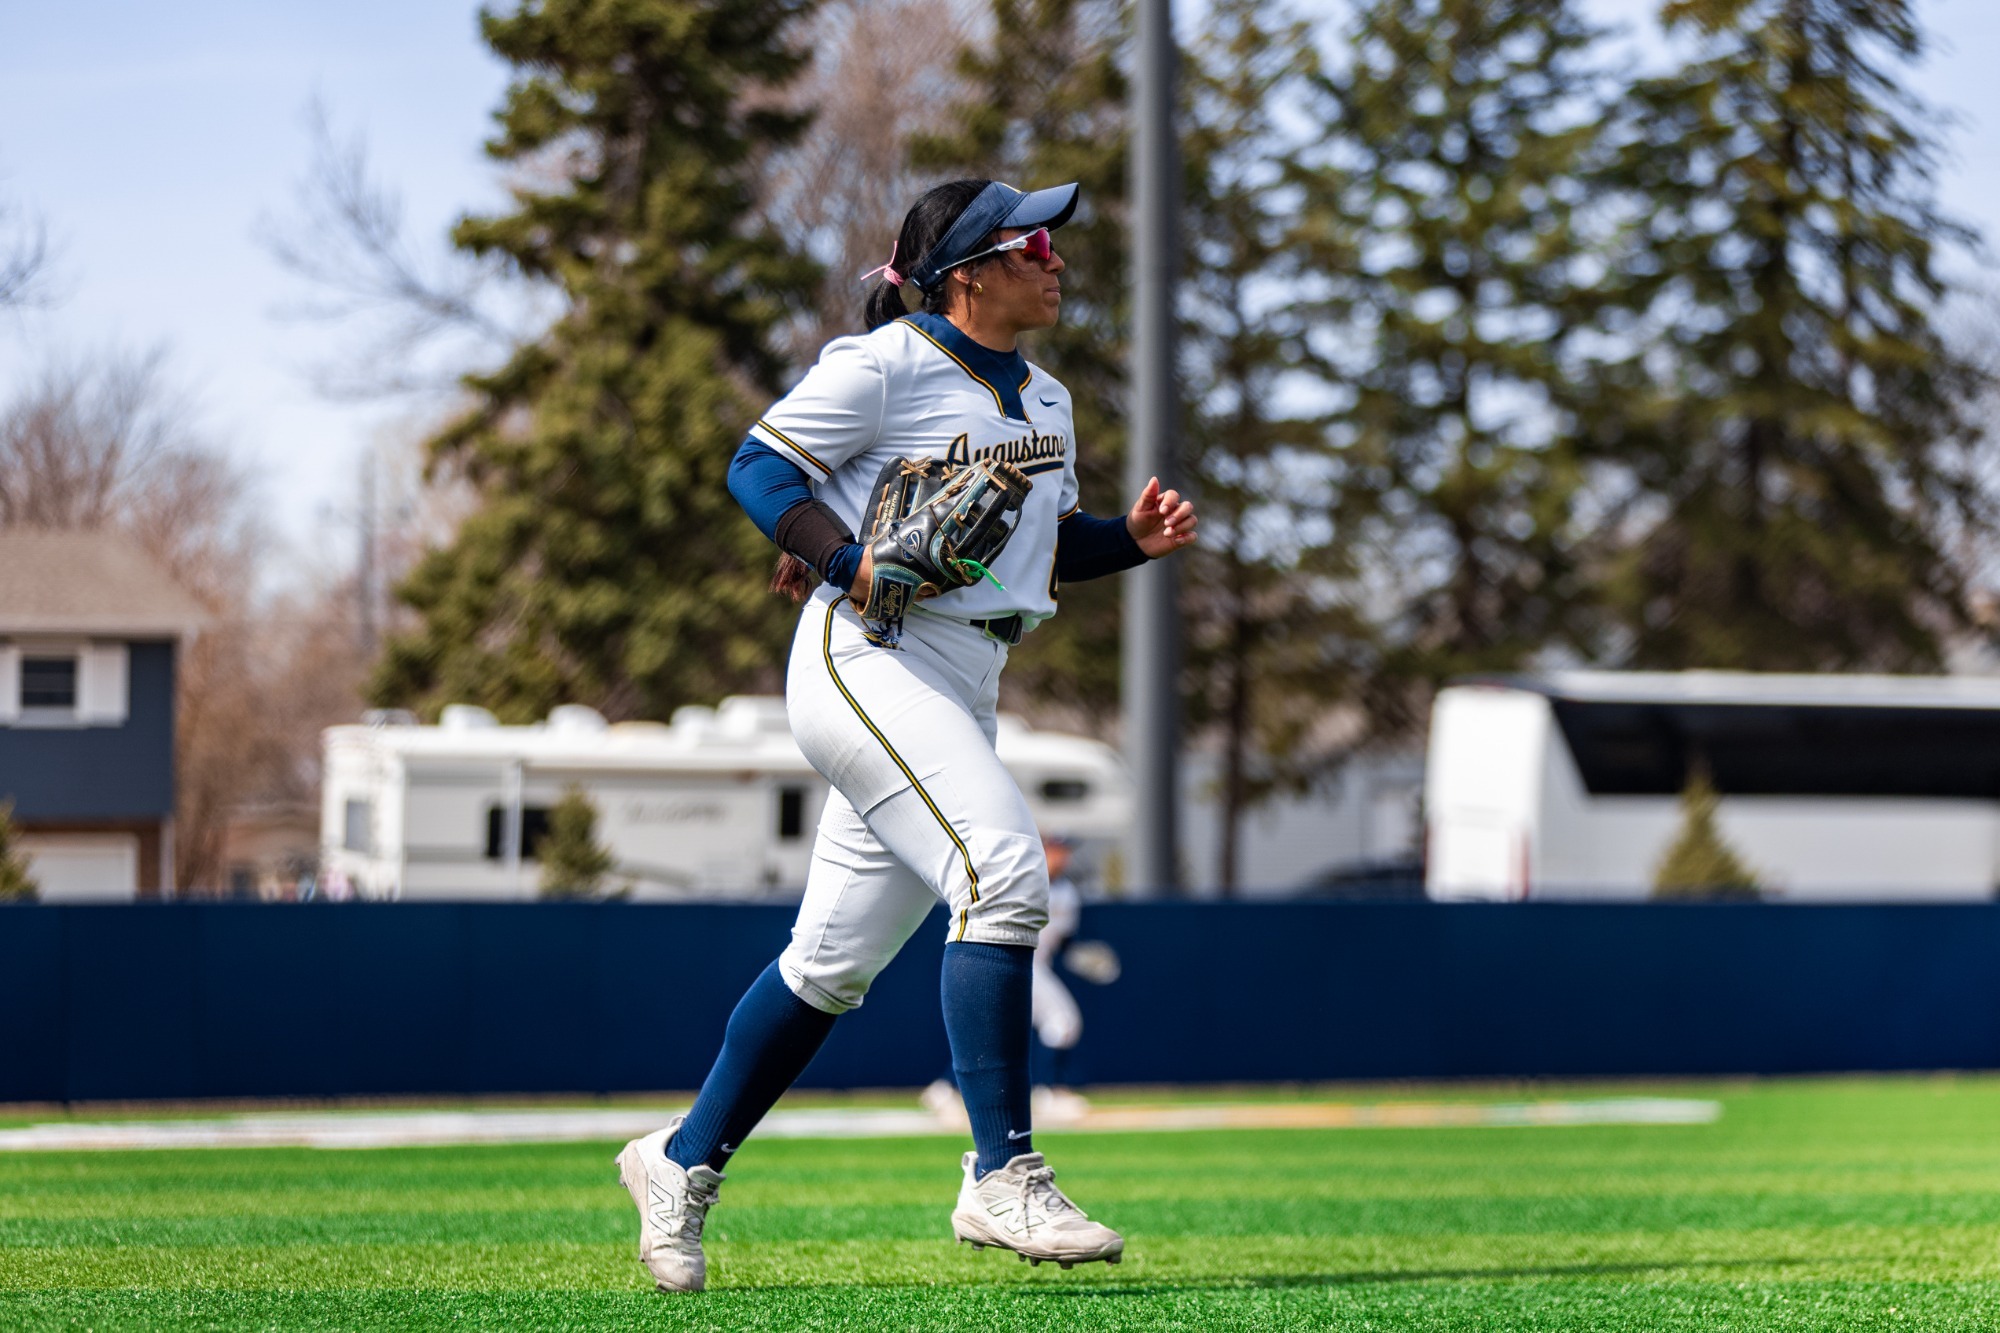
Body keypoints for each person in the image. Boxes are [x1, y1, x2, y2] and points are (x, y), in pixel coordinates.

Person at [615, 177, 1198, 1294]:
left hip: (966, 671)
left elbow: (1040, 551)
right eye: (1033, 242)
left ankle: (679, 1157)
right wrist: (845, 559)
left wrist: (1122, 538)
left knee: (828, 967)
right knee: (1001, 874)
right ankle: (999, 1169)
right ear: (967, 272)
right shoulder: (882, 364)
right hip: (867, 652)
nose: (1055, 258)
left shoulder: (1048, 399)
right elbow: (757, 466)